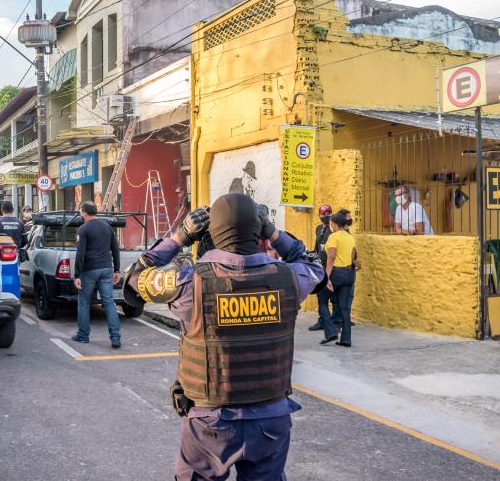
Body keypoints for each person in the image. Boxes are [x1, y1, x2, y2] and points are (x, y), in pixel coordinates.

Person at [123, 193, 324, 480]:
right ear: (258, 230)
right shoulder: (289, 278)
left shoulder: (189, 283)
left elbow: (135, 277)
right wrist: (273, 233)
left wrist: (180, 236)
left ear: (212, 231)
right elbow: (313, 263)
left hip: (210, 423)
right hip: (271, 419)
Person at [71, 201, 122, 348]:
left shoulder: (83, 229)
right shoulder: (107, 227)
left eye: (81, 212)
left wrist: (77, 275)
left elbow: (80, 254)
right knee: (109, 303)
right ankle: (115, 338)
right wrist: (117, 270)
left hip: (89, 270)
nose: (80, 214)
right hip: (106, 268)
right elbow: (115, 249)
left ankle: (83, 335)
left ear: (84, 213)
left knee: (83, 302)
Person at [319, 211, 357, 347]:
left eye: (331, 223)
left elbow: (331, 257)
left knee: (322, 299)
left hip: (336, 273)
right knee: (344, 307)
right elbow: (353, 256)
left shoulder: (333, 237)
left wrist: (327, 278)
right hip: (349, 273)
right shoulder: (350, 237)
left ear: (334, 224)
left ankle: (331, 332)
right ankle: (346, 339)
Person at [309, 205, 335, 331]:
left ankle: (333, 321)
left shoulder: (333, 229)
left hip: (332, 266)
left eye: (329, 213)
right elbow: (317, 246)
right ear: (319, 215)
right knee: (320, 294)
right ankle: (322, 320)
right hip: (320, 266)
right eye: (324, 214)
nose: (326, 216)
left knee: (333, 296)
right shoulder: (318, 229)